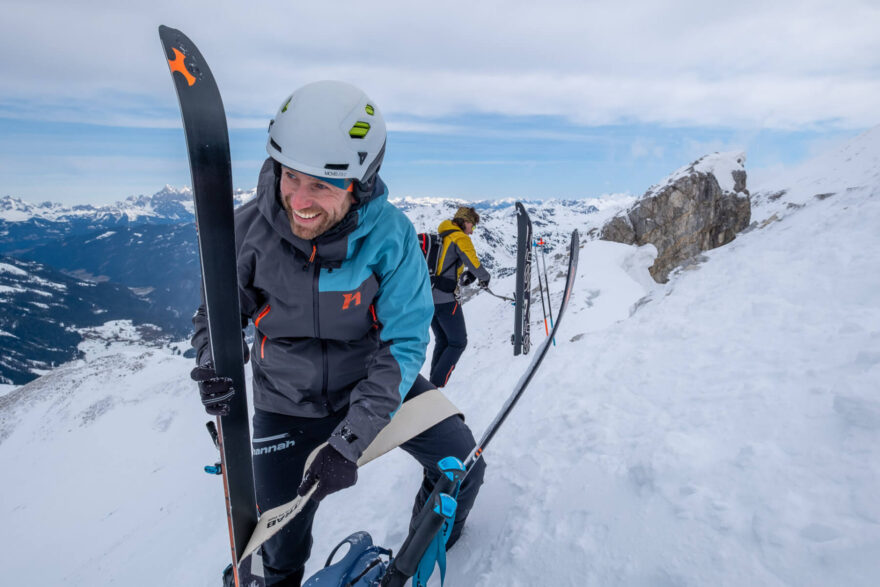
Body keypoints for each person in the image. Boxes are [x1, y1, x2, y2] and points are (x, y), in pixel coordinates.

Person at [189, 81, 485, 586]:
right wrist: (214, 364)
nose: (299, 200)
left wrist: (349, 440)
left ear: (359, 184)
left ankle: (414, 562)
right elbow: (213, 317)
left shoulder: (390, 239)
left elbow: (404, 344)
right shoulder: (246, 234)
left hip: (368, 384)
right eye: (290, 177)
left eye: (322, 185)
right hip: (284, 401)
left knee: (461, 467)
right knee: (280, 545)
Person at [428, 206, 491, 388]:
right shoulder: (460, 237)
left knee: (443, 340)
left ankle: (432, 385)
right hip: (446, 300)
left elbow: (448, 263)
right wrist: (485, 278)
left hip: (429, 298)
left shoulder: (443, 235)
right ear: (466, 222)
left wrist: (467, 274)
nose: (472, 231)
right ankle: (437, 384)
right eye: (472, 226)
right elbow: (474, 263)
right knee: (458, 342)